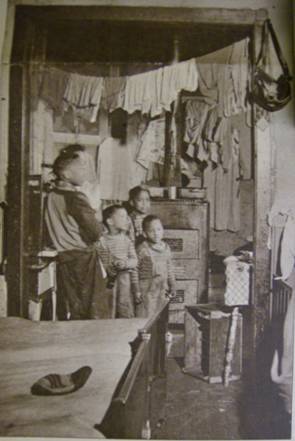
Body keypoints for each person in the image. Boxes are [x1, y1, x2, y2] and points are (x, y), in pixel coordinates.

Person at [45, 145, 108, 320]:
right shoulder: (76, 199)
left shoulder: (51, 195)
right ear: (65, 173)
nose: (86, 171)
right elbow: (95, 231)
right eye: (81, 167)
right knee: (93, 312)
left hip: (65, 257)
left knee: (73, 307)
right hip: (82, 259)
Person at [96, 205, 142, 318]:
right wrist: (108, 266)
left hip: (124, 281)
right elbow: (100, 261)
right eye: (122, 217)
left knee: (124, 308)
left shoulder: (126, 240)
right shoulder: (102, 241)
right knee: (108, 309)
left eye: (127, 217)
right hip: (107, 282)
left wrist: (125, 263)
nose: (127, 220)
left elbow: (135, 261)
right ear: (110, 221)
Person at [136, 215, 176, 318]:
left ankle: (160, 334)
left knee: (162, 316)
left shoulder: (166, 248)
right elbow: (135, 270)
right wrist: (136, 290)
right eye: (151, 231)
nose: (156, 233)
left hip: (163, 288)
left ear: (163, 230)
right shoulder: (143, 249)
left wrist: (173, 285)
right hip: (148, 290)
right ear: (145, 233)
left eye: (158, 229)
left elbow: (169, 268)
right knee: (147, 317)